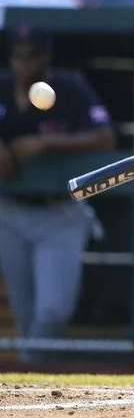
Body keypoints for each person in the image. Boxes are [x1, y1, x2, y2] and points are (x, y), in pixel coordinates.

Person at [0, 24, 115, 362]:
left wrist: (47, 142)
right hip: (9, 211)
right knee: (24, 311)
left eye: (32, 56)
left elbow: (105, 136)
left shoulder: (69, 87)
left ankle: (28, 368)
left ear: (45, 57)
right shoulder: (2, 87)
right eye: (18, 56)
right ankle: (30, 385)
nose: (25, 64)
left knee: (52, 309)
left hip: (60, 213)